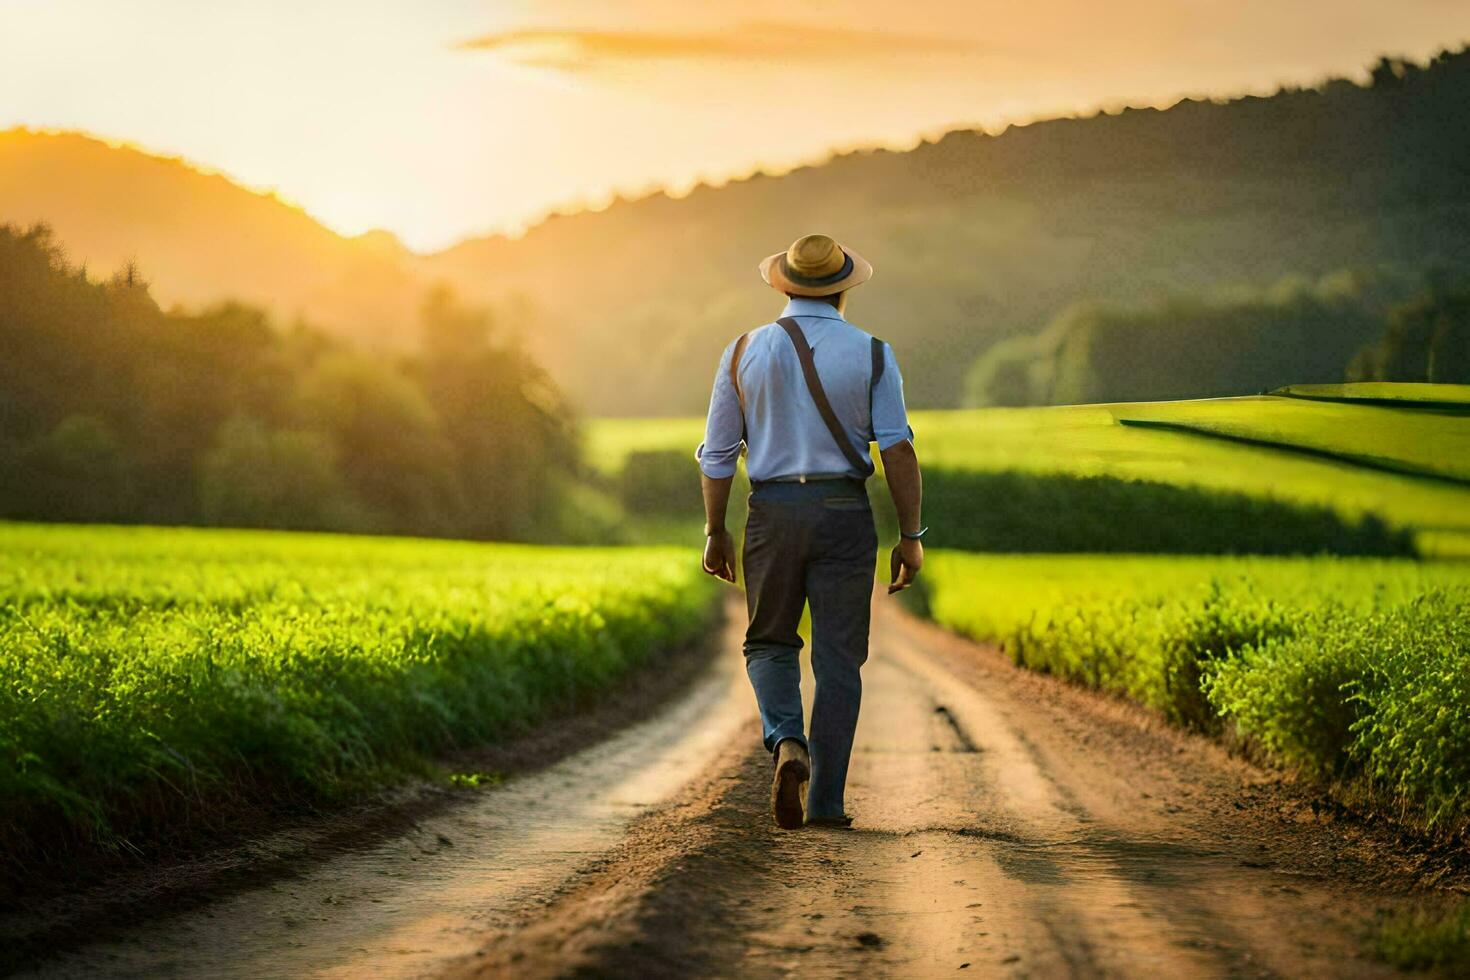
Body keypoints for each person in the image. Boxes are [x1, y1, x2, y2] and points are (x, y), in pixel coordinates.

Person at [696, 233, 926, 830]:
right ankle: (827, 802)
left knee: (769, 641)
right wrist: (910, 535)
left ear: (784, 285)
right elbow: (898, 451)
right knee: (839, 662)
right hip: (845, 513)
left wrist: (715, 530)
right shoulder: (874, 353)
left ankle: (786, 742)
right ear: (844, 289)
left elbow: (717, 455)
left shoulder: (743, 350)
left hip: (771, 513)